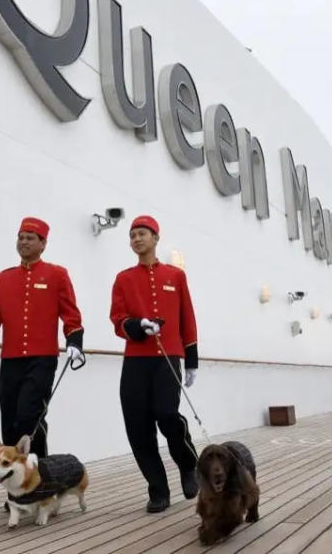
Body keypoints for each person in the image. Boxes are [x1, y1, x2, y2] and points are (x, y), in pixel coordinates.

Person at [0, 217, 83, 458]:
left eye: (30, 238)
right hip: (11, 360)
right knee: (9, 423)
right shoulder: (4, 279)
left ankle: (38, 476)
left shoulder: (57, 275)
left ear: (43, 244)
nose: (24, 242)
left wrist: (74, 341)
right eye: (21, 237)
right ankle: (17, 488)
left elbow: (70, 313)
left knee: (29, 417)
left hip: (42, 360)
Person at [109, 215, 199, 513]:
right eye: (132, 235)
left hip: (168, 357)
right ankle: (158, 489)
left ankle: (188, 464)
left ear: (156, 238)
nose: (136, 239)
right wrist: (136, 325)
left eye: (142, 234)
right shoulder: (123, 278)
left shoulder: (176, 276)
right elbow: (117, 319)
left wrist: (192, 360)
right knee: (138, 426)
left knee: (166, 414)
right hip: (135, 360)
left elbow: (187, 317)